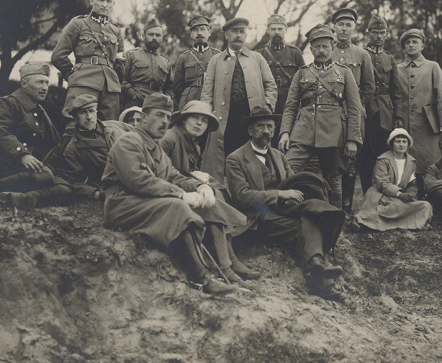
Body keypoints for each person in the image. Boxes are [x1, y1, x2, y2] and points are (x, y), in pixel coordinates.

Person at [101, 93, 248, 294]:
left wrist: (199, 188)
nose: (164, 122)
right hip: (123, 204)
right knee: (178, 206)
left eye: (168, 118)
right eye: (159, 115)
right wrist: (180, 195)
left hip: (144, 201)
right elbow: (139, 181)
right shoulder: (128, 142)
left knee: (207, 204)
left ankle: (227, 269)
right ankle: (202, 279)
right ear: (144, 117)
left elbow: (173, 175)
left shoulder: (157, 149)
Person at [226, 106, 347, 302]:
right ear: (250, 130)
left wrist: (293, 196)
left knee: (311, 218)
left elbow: (294, 181)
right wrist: (280, 194)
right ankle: (322, 283)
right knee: (308, 226)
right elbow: (242, 196)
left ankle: (316, 265)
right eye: (261, 126)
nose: (266, 131)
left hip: (284, 212)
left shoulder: (279, 156)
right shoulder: (236, 159)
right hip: (258, 217)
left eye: (270, 127)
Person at [160, 100, 260, 284]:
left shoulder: (194, 145)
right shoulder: (170, 138)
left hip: (183, 186)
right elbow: (161, 171)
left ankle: (230, 263)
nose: (199, 124)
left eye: (204, 121)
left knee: (217, 193)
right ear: (183, 120)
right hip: (168, 191)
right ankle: (228, 267)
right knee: (213, 204)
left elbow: (186, 171)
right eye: (195, 118)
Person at [0, 63, 72, 209]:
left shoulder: (39, 111)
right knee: (47, 177)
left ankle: (18, 197)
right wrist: (21, 154)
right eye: (39, 82)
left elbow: (53, 143)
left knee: (66, 187)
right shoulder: (7, 103)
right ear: (24, 83)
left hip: (21, 169)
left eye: (46, 82)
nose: (44, 87)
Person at [279, 24, 361, 210]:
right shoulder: (302, 73)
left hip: (333, 133)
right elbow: (291, 106)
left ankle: (336, 218)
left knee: (333, 179)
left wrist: (352, 139)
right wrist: (285, 132)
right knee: (287, 169)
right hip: (303, 132)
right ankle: (286, 211)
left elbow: (355, 108)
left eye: (325, 46)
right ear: (311, 49)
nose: (321, 50)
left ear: (332, 47)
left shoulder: (344, 72)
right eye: (317, 46)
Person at [200, 17, 277, 180]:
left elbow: (271, 85)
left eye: (242, 32)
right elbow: (207, 92)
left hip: (251, 118)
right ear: (226, 35)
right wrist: (207, 116)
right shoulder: (215, 61)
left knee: (253, 157)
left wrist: (267, 109)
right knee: (225, 160)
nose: (238, 35)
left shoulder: (257, 58)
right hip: (225, 119)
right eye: (234, 32)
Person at [52, 0, 124, 120]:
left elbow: (121, 62)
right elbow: (58, 56)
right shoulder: (78, 24)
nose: (105, 4)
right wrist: (74, 76)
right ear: (92, 1)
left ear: (113, 4)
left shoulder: (116, 30)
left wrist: (115, 80)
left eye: (109, 1)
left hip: (110, 88)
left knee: (110, 129)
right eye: (101, 0)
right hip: (84, 82)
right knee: (76, 126)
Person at [394, 29, 442, 192]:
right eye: (407, 42)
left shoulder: (432, 67)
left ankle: (435, 199)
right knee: (407, 165)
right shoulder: (397, 69)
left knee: (430, 164)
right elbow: (395, 96)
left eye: (415, 42)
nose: (411, 45)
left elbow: (441, 95)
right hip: (405, 125)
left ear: (422, 45)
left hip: (428, 126)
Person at [331, 8, 375, 213]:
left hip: (353, 115)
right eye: (341, 24)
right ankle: (331, 206)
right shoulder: (325, 50)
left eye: (348, 25)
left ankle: (347, 208)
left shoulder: (362, 54)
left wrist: (355, 104)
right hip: (329, 114)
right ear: (334, 26)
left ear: (354, 29)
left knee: (350, 161)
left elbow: (368, 87)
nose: (344, 29)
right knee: (331, 158)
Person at [353, 129, 433, 232]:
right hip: (381, 195)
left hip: (400, 197)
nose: (401, 145)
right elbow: (383, 183)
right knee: (395, 208)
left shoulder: (411, 162)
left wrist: (410, 196)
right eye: (397, 141)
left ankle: (380, 219)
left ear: (408, 144)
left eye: (404, 142)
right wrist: (399, 194)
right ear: (392, 144)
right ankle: (362, 220)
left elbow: (412, 183)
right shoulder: (382, 160)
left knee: (425, 205)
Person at [59, 94, 133, 203]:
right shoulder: (72, 149)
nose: (89, 117)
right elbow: (71, 183)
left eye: (91, 111)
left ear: (96, 111)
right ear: (75, 117)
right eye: (83, 112)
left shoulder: (115, 126)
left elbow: (142, 137)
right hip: (116, 188)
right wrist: (96, 194)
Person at [361, 13, 403, 198]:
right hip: (366, 111)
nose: (378, 36)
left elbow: (396, 91)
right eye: (375, 32)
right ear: (368, 33)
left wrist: (399, 117)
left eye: (382, 32)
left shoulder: (390, 59)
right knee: (366, 155)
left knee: (384, 155)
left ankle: (384, 197)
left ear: (386, 35)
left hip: (386, 113)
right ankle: (366, 196)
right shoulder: (362, 55)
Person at [255, 14, 305, 144]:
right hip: (267, 103)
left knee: (287, 138)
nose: (276, 32)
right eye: (273, 29)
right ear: (268, 30)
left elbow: (304, 80)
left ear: (286, 29)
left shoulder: (295, 53)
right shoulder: (259, 53)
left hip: (288, 104)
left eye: (280, 29)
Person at [121, 17, 173, 109]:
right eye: (151, 35)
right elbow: (123, 80)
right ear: (143, 36)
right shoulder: (131, 55)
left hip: (158, 103)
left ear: (162, 38)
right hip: (135, 102)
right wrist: (134, 96)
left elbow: (170, 87)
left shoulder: (166, 62)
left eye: (158, 35)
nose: (154, 38)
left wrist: (167, 97)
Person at [172, 15, 221, 111]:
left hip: (212, 100)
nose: (199, 33)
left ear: (209, 32)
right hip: (189, 102)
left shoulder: (218, 55)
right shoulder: (184, 58)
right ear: (191, 34)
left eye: (203, 29)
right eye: (195, 30)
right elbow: (178, 88)